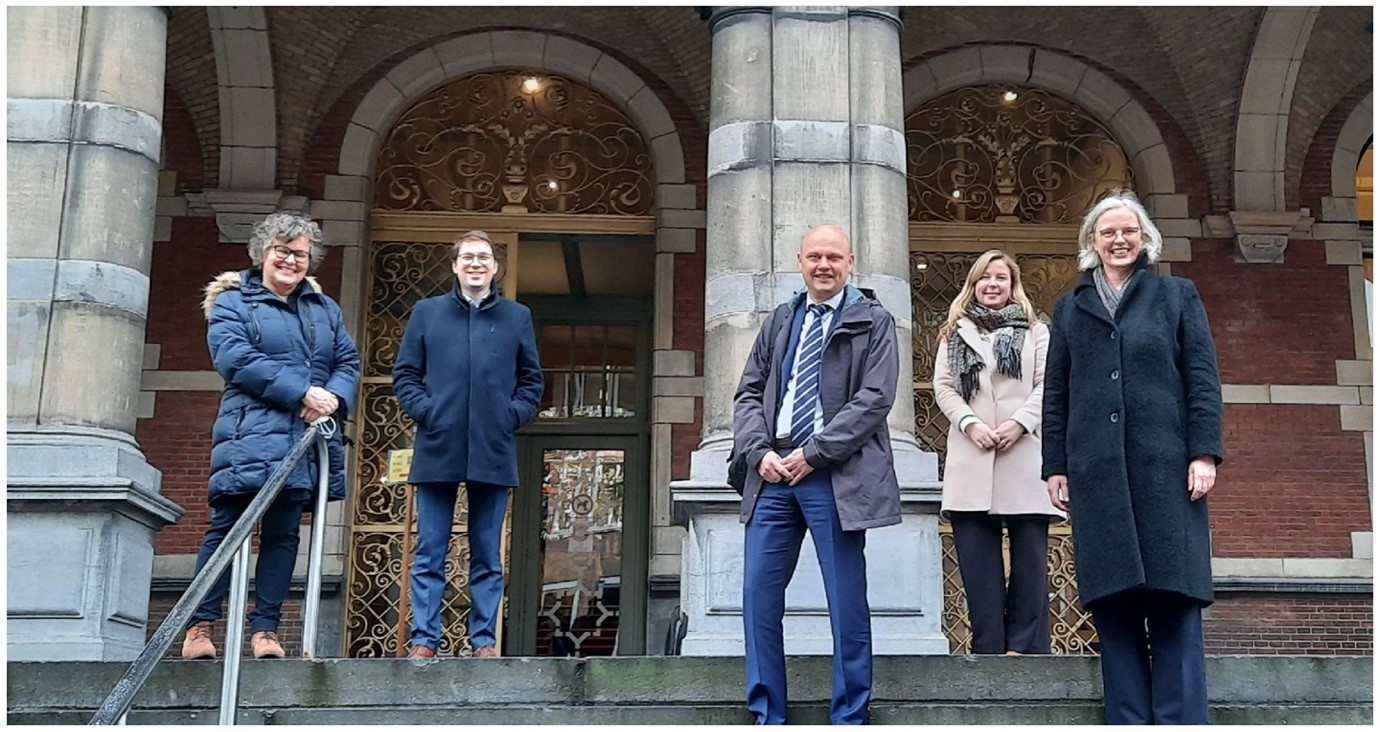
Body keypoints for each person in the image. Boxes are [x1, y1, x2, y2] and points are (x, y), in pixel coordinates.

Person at [1041, 189, 1223, 724]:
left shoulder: (1177, 295)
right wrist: (1056, 466)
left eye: (1129, 231)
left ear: (1145, 240)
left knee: (1172, 600)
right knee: (1116, 606)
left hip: (1168, 472)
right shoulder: (1070, 308)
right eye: (1108, 232)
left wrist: (1204, 452)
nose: (1119, 240)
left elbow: (1202, 381)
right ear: (1091, 244)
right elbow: (1057, 394)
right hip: (1097, 475)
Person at [733, 224, 902, 725]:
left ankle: (849, 715)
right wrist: (757, 451)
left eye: (833, 257)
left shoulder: (874, 320)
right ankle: (768, 715)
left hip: (835, 475)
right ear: (799, 261)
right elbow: (748, 393)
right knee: (758, 600)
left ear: (851, 262)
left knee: (846, 602)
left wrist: (815, 452)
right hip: (772, 474)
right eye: (814, 257)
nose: (823, 265)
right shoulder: (781, 320)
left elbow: (875, 399)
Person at [182, 211, 360, 660]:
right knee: (227, 531)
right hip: (248, 437)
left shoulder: (324, 308)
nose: (292, 261)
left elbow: (348, 362)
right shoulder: (232, 302)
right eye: (283, 251)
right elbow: (235, 359)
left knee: (283, 535)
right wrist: (301, 391)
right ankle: (199, 627)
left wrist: (331, 399)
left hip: (302, 441)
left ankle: (266, 631)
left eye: (301, 254)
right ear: (264, 252)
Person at [392, 230, 544, 659]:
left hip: (493, 449)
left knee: (487, 555)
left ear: (495, 267)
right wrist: (428, 412)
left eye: (484, 257)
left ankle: (484, 641)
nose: (476, 264)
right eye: (468, 257)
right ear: (455, 266)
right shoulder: (427, 313)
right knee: (430, 551)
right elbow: (405, 374)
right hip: (437, 446)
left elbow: (532, 379)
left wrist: (509, 416)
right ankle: (423, 639)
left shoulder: (517, 317)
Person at [933, 249, 1062, 656]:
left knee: (1029, 560)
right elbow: (943, 387)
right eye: (984, 278)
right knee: (978, 565)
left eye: (1000, 278)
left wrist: (1019, 423)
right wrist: (971, 423)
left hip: (1023, 453)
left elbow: (1049, 385)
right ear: (973, 285)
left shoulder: (1037, 331)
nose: (992, 284)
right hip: (972, 456)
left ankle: (1023, 647)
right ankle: (988, 648)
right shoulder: (953, 331)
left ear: (1013, 285)